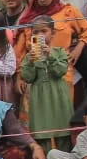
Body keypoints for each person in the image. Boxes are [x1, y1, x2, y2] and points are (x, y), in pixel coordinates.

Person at [19, 16, 73, 148]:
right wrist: (31, 62)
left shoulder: (60, 52)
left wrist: (50, 56)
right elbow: (27, 77)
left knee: (64, 134)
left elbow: (60, 71)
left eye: (44, 31)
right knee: (42, 135)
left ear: (53, 33)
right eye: (36, 32)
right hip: (39, 99)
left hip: (58, 96)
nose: (40, 35)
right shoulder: (29, 56)